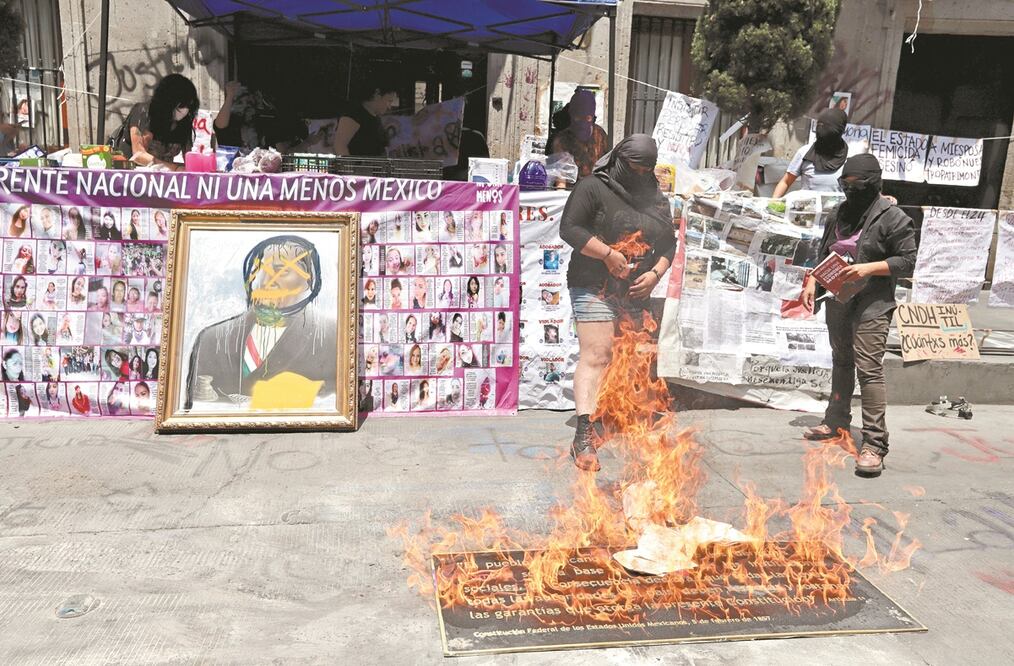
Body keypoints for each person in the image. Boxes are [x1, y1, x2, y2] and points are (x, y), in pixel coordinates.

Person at [559, 134, 676, 471]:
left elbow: (669, 243)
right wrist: (609, 254)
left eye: (647, 170)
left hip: (636, 289)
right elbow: (570, 229)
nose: (640, 175)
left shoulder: (655, 196)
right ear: (620, 160)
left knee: (633, 360)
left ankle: (618, 416)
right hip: (593, 283)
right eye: (634, 168)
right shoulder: (593, 187)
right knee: (597, 355)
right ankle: (583, 433)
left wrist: (655, 274)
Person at [801, 154, 917, 479]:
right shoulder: (839, 213)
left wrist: (869, 267)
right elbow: (824, 252)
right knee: (841, 360)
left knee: (868, 369)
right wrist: (813, 280)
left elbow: (907, 262)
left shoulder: (894, 218)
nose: (850, 191)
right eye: (845, 185)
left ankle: (875, 444)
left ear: (874, 184)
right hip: (838, 298)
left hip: (873, 302)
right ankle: (836, 421)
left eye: (857, 186)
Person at [185, 236, 336, 409]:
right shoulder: (211, 340)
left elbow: (330, 403)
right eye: (258, 270)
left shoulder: (332, 339)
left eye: (281, 270)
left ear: (308, 280)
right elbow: (197, 406)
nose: (265, 281)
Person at [116, 73, 199, 169]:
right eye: (182, 105)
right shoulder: (145, 113)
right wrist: (175, 168)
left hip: (161, 176)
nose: (185, 109)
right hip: (130, 173)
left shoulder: (184, 122)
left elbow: (189, 158)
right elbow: (139, 155)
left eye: (189, 106)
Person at [773, 108, 849, 197]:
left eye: (828, 126)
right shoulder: (804, 152)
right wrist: (773, 203)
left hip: (837, 210)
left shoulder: (850, 157)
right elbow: (786, 181)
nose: (821, 130)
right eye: (819, 125)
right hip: (807, 209)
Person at [549, 89, 610, 179]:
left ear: (593, 116)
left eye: (587, 118)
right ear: (572, 115)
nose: (582, 123)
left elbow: (608, 165)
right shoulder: (562, 140)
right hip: (572, 189)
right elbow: (560, 177)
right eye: (578, 118)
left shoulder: (600, 134)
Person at [333, 78, 398, 157]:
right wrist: (351, 168)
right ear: (377, 94)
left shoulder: (375, 118)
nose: (389, 107)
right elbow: (340, 146)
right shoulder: (354, 115)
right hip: (359, 168)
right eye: (389, 101)